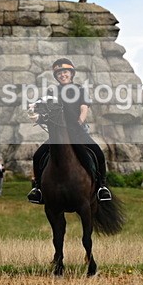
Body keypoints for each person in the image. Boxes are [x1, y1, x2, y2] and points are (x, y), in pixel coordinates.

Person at [29, 58, 111, 204]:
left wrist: (78, 124)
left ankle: (101, 187)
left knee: (98, 153)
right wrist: (35, 112)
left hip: (77, 130)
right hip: (58, 133)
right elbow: (45, 108)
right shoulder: (52, 91)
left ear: (71, 73)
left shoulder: (80, 90)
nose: (62, 75)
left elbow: (84, 109)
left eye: (65, 72)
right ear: (56, 76)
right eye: (59, 73)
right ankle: (38, 189)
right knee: (37, 156)